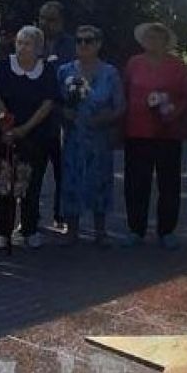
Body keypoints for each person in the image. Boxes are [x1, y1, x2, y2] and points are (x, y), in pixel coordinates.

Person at [121, 21, 187, 249]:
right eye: (149, 37)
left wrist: (173, 113)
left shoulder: (177, 66)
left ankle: (167, 230)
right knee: (136, 182)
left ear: (165, 41)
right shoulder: (134, 63)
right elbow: (123, 92)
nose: (152, 41)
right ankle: (136, 229)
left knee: (169, 183)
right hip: (137, 131)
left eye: (157, 37)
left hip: (168, 132)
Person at [0, 25, 60, 251]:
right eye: (19, 42)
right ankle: (2, 231)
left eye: (27, 43)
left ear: (39, 48)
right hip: (6, 135)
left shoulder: (47, 70)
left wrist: (25, 128)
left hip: (36, 136)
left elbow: (48, 103)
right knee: (5, 184)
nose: (21, 47)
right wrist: (5, 124)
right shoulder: (3, 66)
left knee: (31, 184)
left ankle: (29, 229)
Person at [57, 25, 125, 245]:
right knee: (71, 180)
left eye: (89, 40)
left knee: (101, 181)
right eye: (79, 41)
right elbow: (54, 102)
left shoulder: (110, 72)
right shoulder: (65, 71)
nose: (83, 45)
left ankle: (101, 231)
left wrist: (108, 118)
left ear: (98, 44)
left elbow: (120, 105)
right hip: (73, 136)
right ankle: (72, 230)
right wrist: (63, 112)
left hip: (99, 138)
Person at [37, 1, 76, 229]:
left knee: (64, 170)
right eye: (42, 17)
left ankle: (62, 214)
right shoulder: (32, 41)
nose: (45, 23)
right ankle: (29, 218)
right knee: (33, 171)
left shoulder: (71, 45)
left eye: (50, 19)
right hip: (36, 117)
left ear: (61, 21)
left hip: (62, 117)